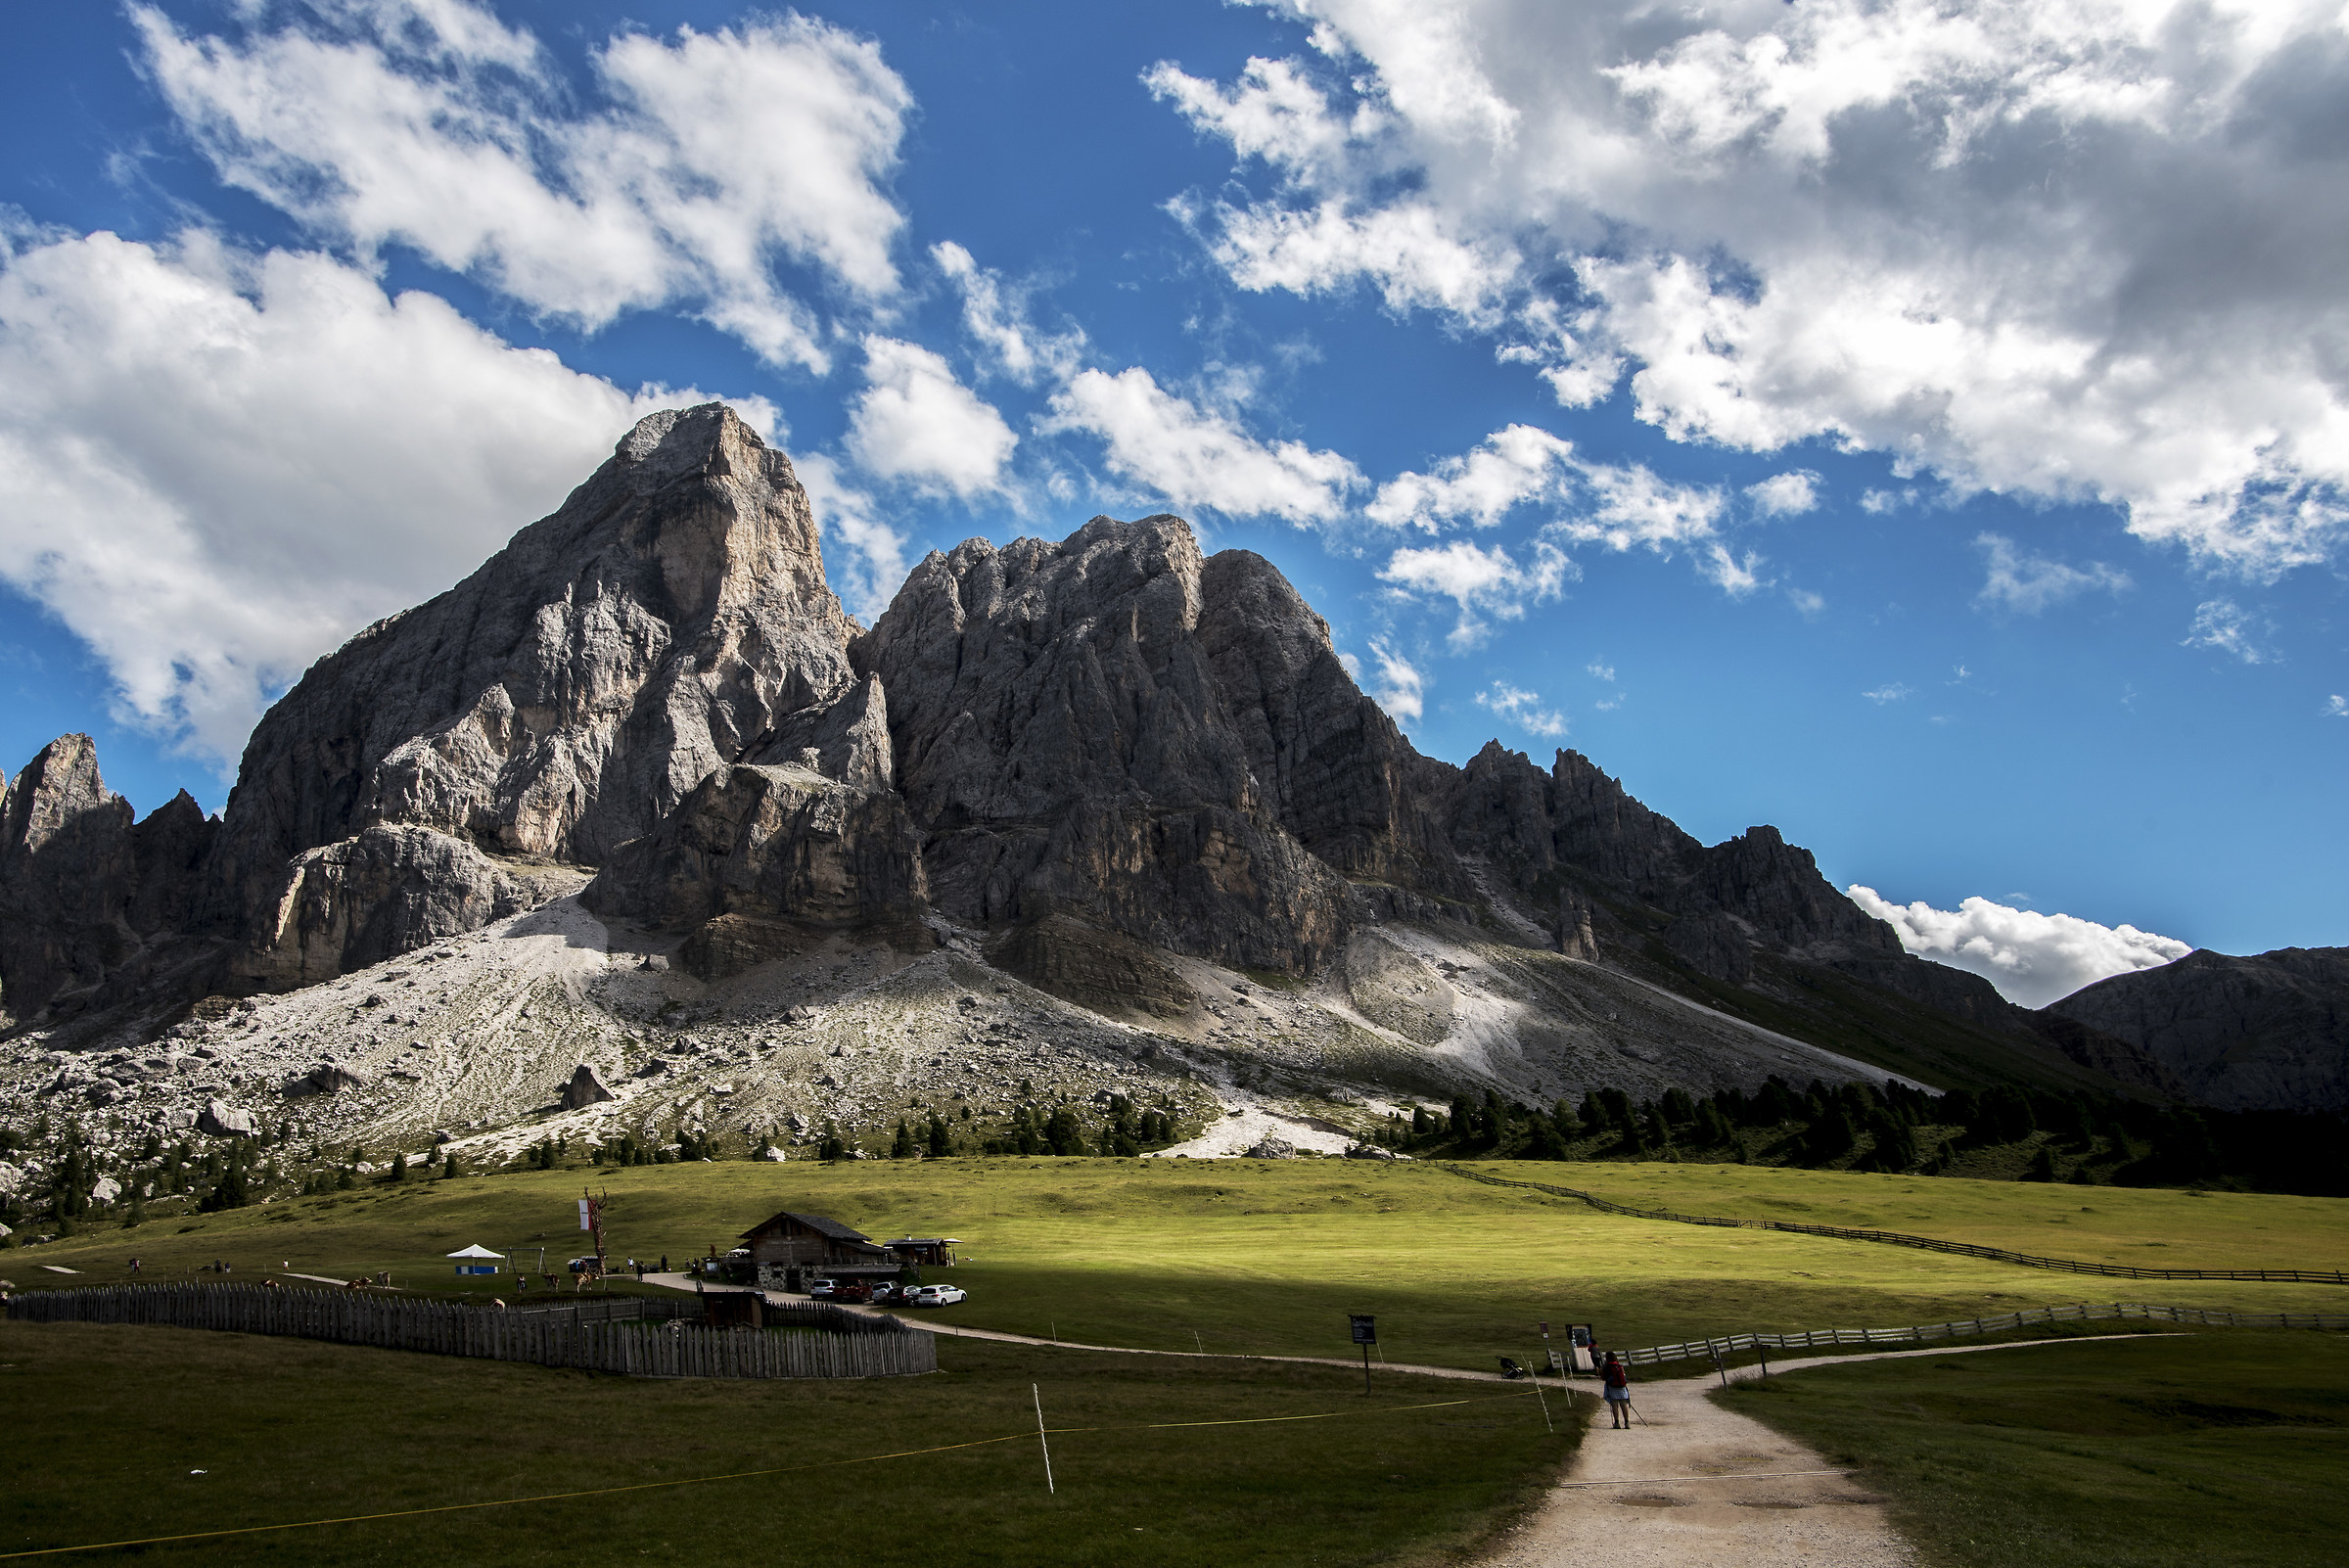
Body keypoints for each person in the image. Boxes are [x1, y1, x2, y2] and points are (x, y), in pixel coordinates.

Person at [1602, 1353, 1633, 1429]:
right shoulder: (1619, 1366)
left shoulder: (1607, 1367)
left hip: (1612, 1388)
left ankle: (1617, 1423)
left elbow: (1603, 1377)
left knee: (1615, 1406)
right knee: (1624, 1405)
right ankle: (1627, 1422)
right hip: (1622, 1387)